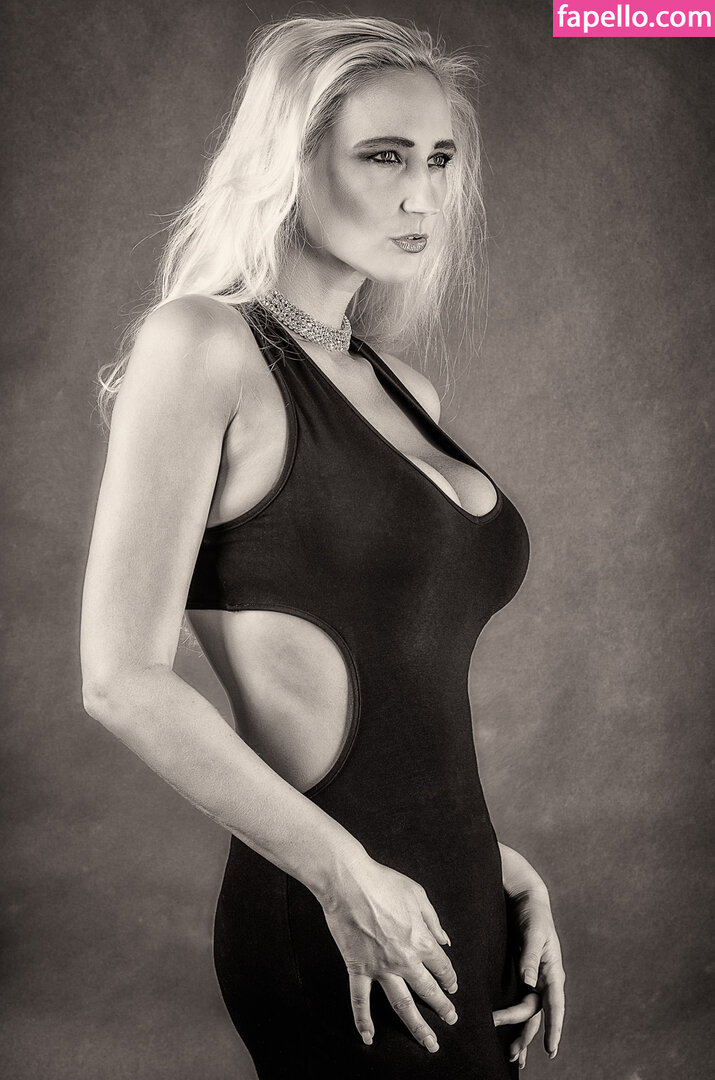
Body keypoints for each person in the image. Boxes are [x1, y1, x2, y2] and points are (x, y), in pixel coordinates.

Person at [81, 14, 565, 1079]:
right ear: (288, 162)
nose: (421, 196)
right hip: (337, 910)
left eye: (439, 160)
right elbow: (121, 680)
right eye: (383, 157)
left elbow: (402, 688)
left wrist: (491, 862)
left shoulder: (402, 387)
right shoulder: (202, 345)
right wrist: (346, 878)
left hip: (453, 895)